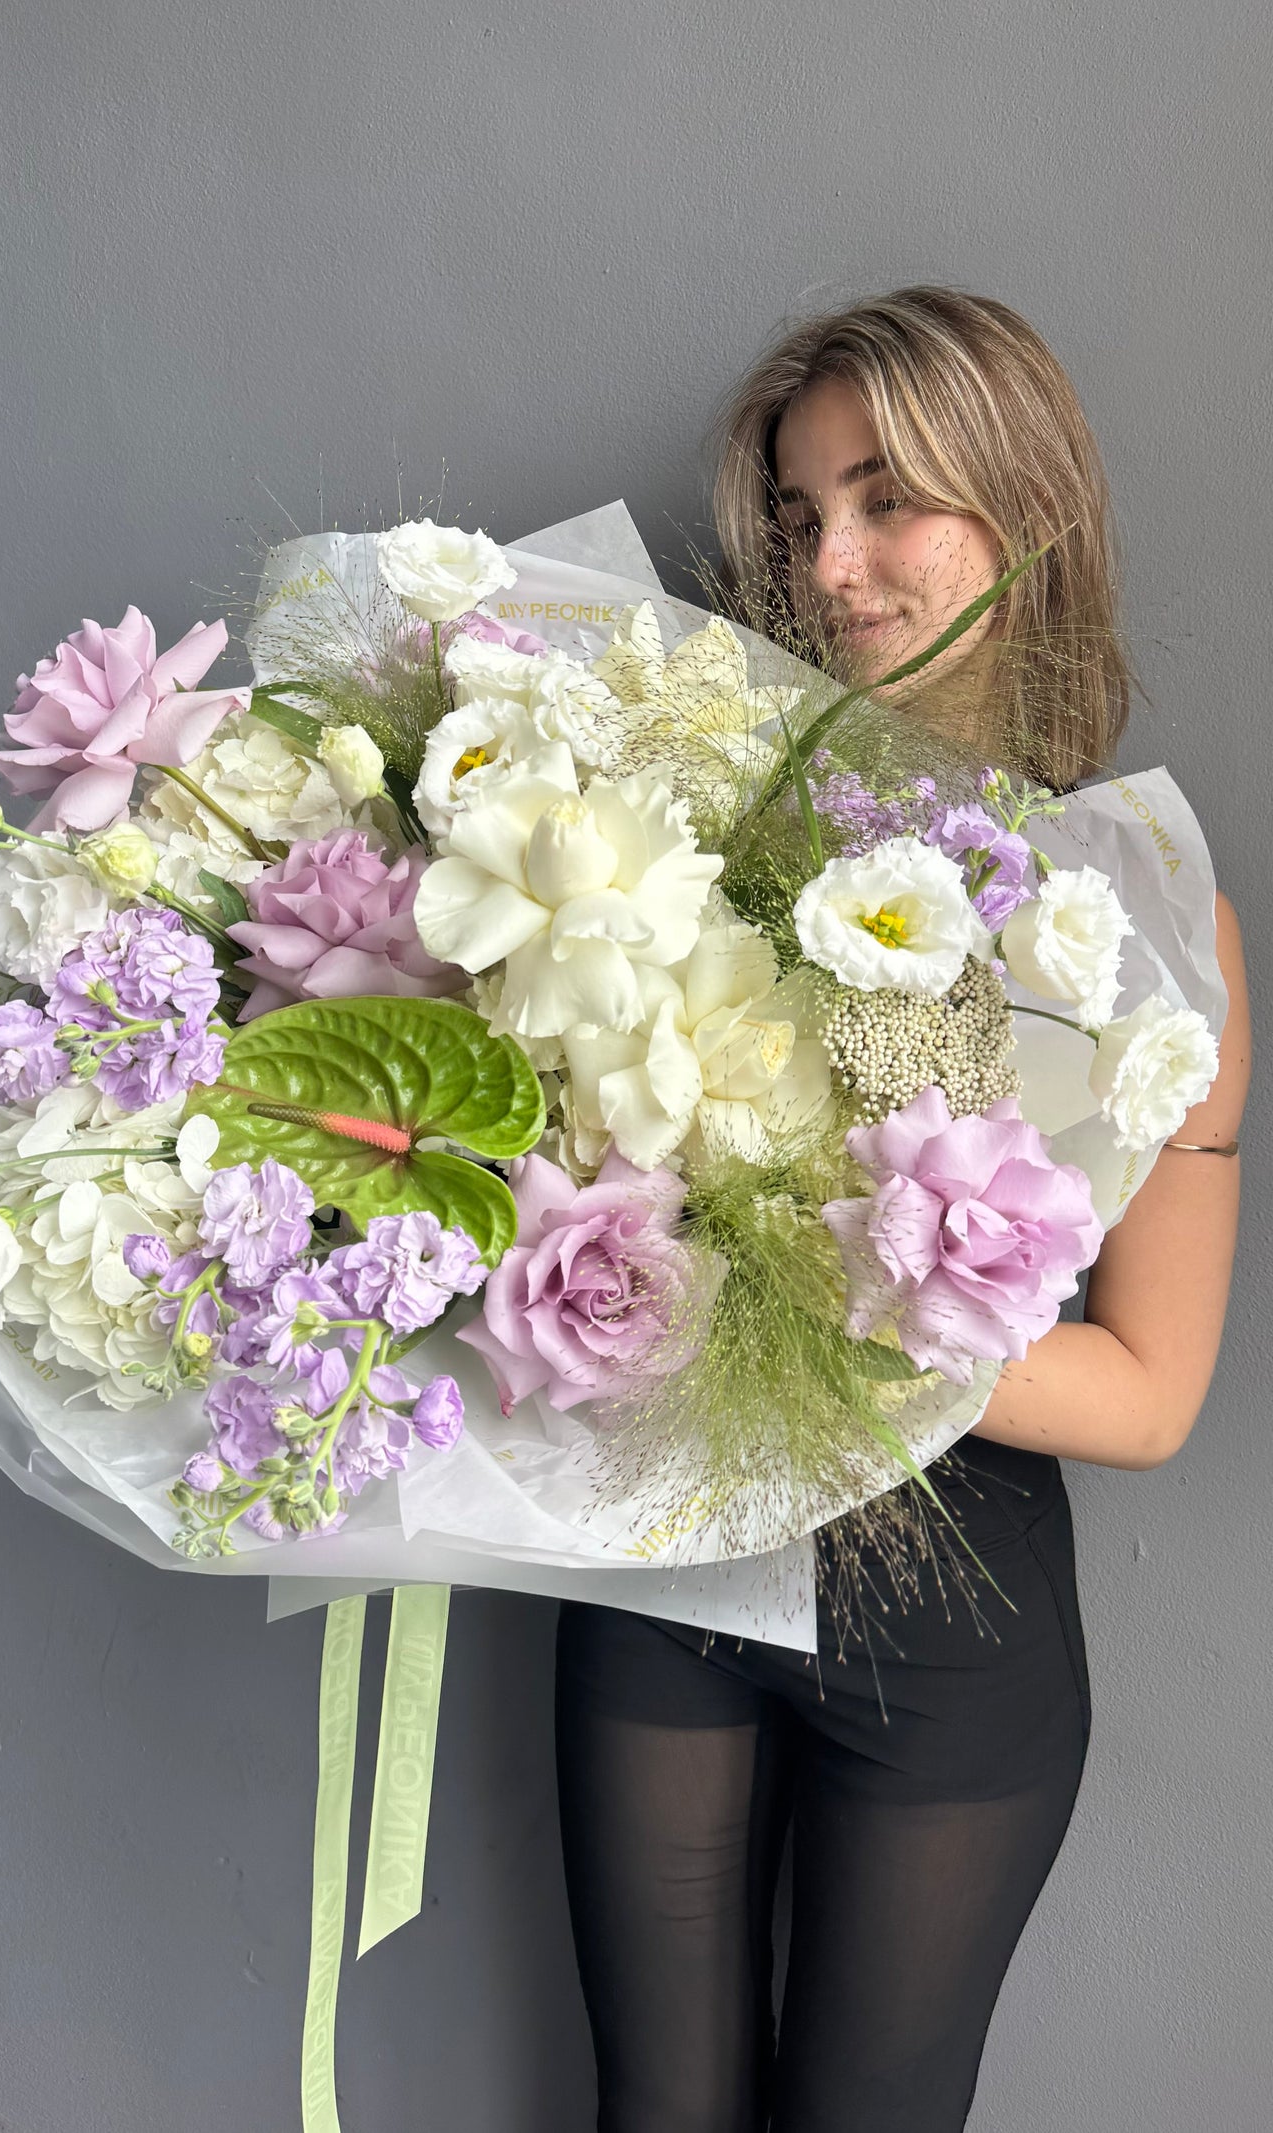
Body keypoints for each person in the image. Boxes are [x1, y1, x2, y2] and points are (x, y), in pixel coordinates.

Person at [552, 287, 1252, 2133]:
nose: (833, 562)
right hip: (665, 1571)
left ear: (1024, 507)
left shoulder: (1152, 911)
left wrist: (831, 1284)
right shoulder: (677, 827)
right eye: (799, 514)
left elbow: (1155, 1393)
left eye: (887, 496)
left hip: (953, 1650)